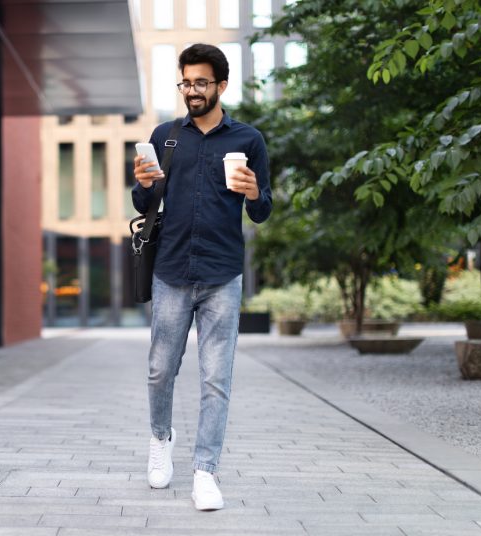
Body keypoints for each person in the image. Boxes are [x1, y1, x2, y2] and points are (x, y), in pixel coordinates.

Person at [132, 43, 272, 511]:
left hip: (221, 275)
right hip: (171, 270)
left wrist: (254, 192)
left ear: (221, 86)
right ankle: (160, 440)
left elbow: (262, 210)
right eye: (185, 82)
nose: (191, 91)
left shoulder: (248, 140)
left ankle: (205, 472)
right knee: (159, 371)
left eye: (200, 83)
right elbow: (143, 203)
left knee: (216, 379)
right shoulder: (167, 136)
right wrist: (145, 185)